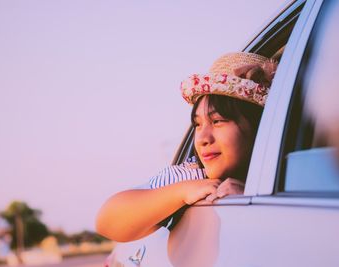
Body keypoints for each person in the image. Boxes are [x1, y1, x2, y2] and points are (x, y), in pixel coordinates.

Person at [96, 52, 277, 242]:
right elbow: (107, 221)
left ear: (259, 125)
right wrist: (182, 192)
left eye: (218, 121)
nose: (202, 139)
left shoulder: (287, 172)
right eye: (198, 125)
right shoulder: (193, 176)